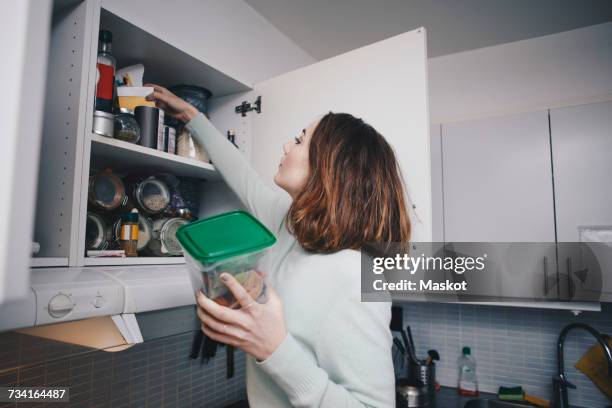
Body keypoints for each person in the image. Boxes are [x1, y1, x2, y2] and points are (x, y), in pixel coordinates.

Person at [147, 84, 411, 407]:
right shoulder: (288, 226)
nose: (287, 145)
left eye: (300, 140)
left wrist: (274, 349)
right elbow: (243, 176)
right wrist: (192, 117)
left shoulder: (354, 276)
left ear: (331, 168)